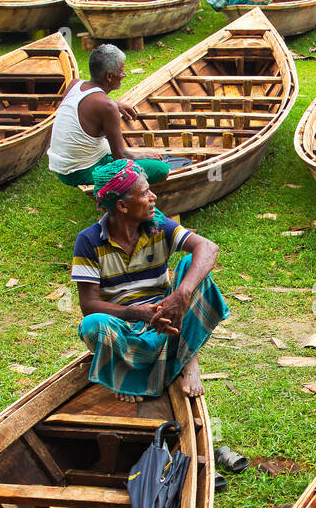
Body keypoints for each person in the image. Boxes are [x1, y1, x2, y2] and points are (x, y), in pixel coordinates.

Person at [73, 159, 228, 401]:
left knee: (191, 266)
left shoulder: (157, 224)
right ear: (123, 206)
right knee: (92, 325)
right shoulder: (89, 240)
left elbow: (208, 248)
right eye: (145, 192)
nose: (153, 197)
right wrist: (137, 313)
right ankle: (135, 367)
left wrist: (181, 294)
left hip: (167, 320)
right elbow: (88, 305)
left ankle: (188, 361)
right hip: (124, 326)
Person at [49, 44, 169, 188]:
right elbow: (121, 155)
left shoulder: (74, 85)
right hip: (81, 172)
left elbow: (86, 105)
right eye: (122, 71)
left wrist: (115, 103)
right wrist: (145, 154)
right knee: (161, 169)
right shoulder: (106, 106)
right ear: (109, 77)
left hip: (61, 168)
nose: (124, 75)